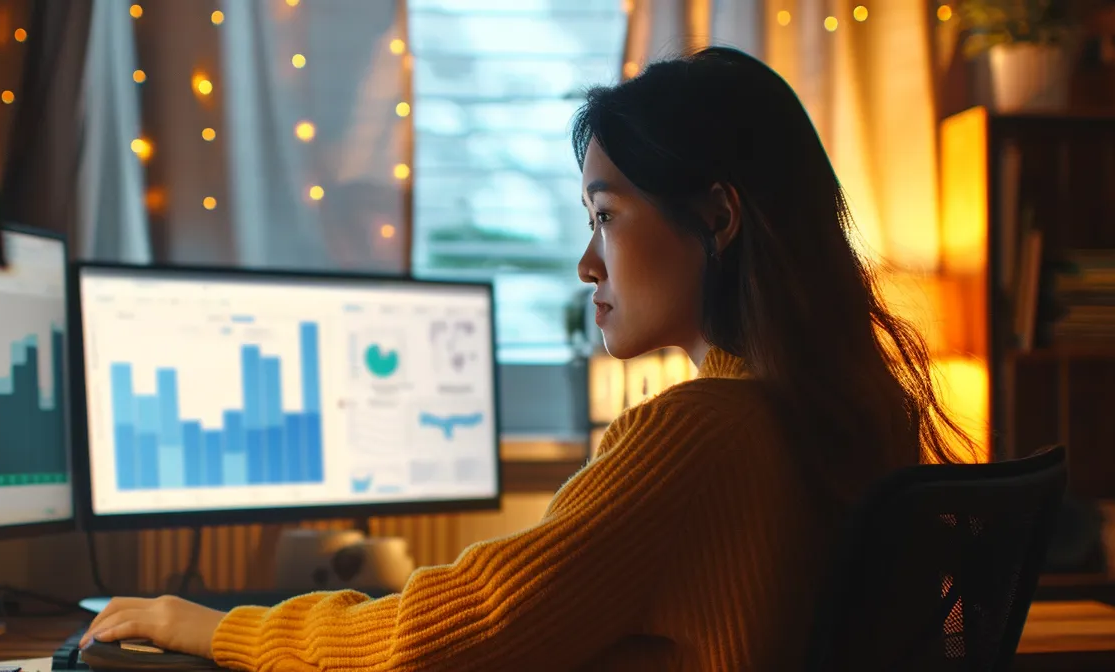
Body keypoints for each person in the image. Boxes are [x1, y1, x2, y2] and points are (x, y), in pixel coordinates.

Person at [80, 46, 970, 671]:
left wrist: (205, 628)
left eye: (606, 216)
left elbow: (430, 640)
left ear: (718, 217)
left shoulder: (699, 436)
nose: (589, 264)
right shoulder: (847, 408)